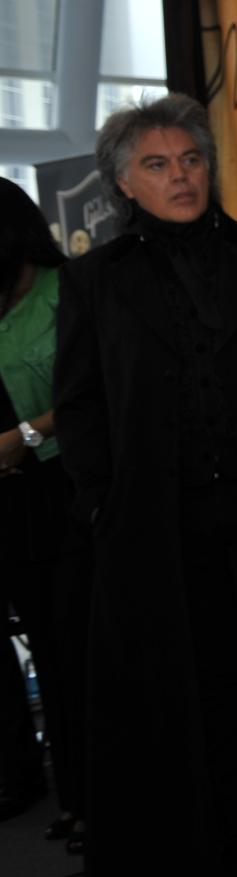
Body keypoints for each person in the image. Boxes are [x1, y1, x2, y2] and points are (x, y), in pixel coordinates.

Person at [52, 95, 237, 877]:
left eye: (191, 160)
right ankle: (217, 867)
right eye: (157, 164)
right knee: (193, 701)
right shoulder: (92, 282)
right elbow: (79, 407)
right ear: (123, 184)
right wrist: (107, 504)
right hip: (155, 538)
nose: (180, 176)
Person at [0, 178, 73, 832]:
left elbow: (93, 393)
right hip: (15, 501)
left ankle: (91, 794)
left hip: (68, 490)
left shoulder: (67, 292)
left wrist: (24, 436)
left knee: (71, 646)